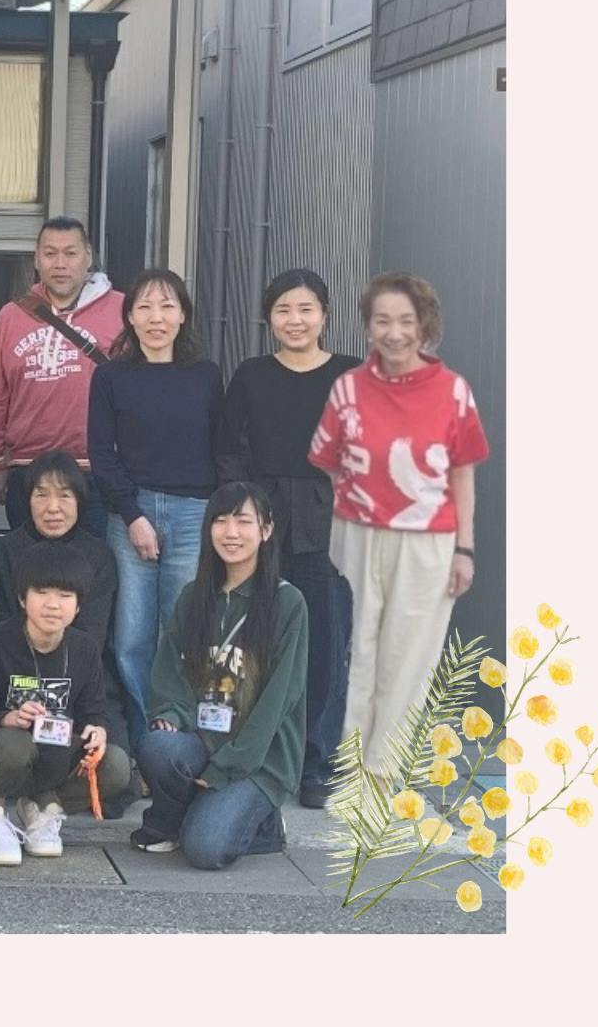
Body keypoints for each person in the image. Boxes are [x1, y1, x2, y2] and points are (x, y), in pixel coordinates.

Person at [308, 272, 489, 778]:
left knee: (409, 657)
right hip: (358, 535)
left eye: (406, 321)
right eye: (382, 320)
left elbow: (462, 472)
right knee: (358, 649)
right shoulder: (349, 388)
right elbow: (328, 459)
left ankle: (385, 772)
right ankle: (349, 765)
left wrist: (464, 549)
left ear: (425, 326)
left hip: (429, 539)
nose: (394, 333)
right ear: (368, 326)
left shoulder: (452, 392)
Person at [220, 269, 363, 808]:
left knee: (326, 641)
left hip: (332, 520)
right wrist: (244, 514)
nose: (295, 320)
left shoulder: (351, 374)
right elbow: (227, 449)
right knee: (258, 637)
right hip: (265, 519)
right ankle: (257, 754)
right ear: (269, 318)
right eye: (283, 310)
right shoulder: (252, 375)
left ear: (324, 315)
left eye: (305, 309)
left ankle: (317, 763)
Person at [87, 269, 231, 762]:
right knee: (131, 637)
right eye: (145, 307)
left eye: (168, 306)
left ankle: (177, 739)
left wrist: (219, 516)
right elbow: (101, 455)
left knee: (184, 629)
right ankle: (141, 742)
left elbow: (220, 448)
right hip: (133, 511)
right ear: (129, 316)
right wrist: (132, 516)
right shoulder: (110, 377)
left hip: (194, 513)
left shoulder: (206, 376)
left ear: (183, 315)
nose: (156, 318)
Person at [132, 483, 308, 870]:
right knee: (158, 747)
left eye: (243, 521)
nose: (231, 533)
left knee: (205, 850)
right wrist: (172, 713)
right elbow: (171, 669)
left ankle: (263, 821)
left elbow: (279, 700)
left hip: (259, 757)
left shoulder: (287, 602)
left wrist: (228, 766)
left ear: (266, 530)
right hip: (203, 738)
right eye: (221, 520)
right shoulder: (194, 596)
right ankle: (185, 815)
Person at [0, 541, 132, 865]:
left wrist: (97, 730)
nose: (53, 605)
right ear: (22, 598)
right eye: (41, 593)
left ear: (78, 606)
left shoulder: (84, 649)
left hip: (56, 751)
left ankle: (45, 809)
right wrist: (10, 717)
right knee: (13, 744)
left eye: (65, 596)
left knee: (116, 765)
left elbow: (94, 711)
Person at [0, 450, 130, 795]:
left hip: (80, 679)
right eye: (41, 495)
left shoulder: (98, 556)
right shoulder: (1, 552)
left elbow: (92, 634)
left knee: (115, 768)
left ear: (80, 502)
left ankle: (48, 801)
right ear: (27, 500)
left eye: (65, 496)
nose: (53, 508)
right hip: (14, 679)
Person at [0, 217, 124, 534]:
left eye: (70, 253)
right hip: (27, 469)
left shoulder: (122, 311)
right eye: (50, 253)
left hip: (97, 470)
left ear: (88, 257)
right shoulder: (11, 316)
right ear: (37, 259)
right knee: (28, 562)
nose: (60, 264)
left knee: (92, 561)